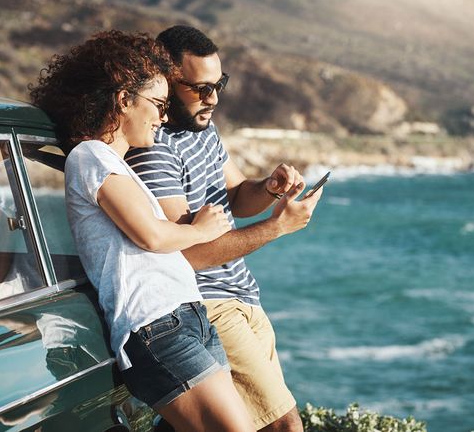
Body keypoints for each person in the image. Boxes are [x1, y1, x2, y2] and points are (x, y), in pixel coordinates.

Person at [29, 30, 255, 432]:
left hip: (188, 318)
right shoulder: (90, 156)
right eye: (157, 104)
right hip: (154, 327)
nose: (163, 117)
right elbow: (152, 235)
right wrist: (202, 229)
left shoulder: (117, 164)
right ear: (123, 100)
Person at [126, 25, 322, 432]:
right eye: (199, 88)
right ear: (165, 80)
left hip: (244, 296)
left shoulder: (204, 130)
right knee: (283, 426)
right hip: (210, 304)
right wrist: (276, 228)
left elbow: (235, 194)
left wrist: (269, 188)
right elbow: (187, 255)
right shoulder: (154, 151)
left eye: (218, 85)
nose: (212, 98)